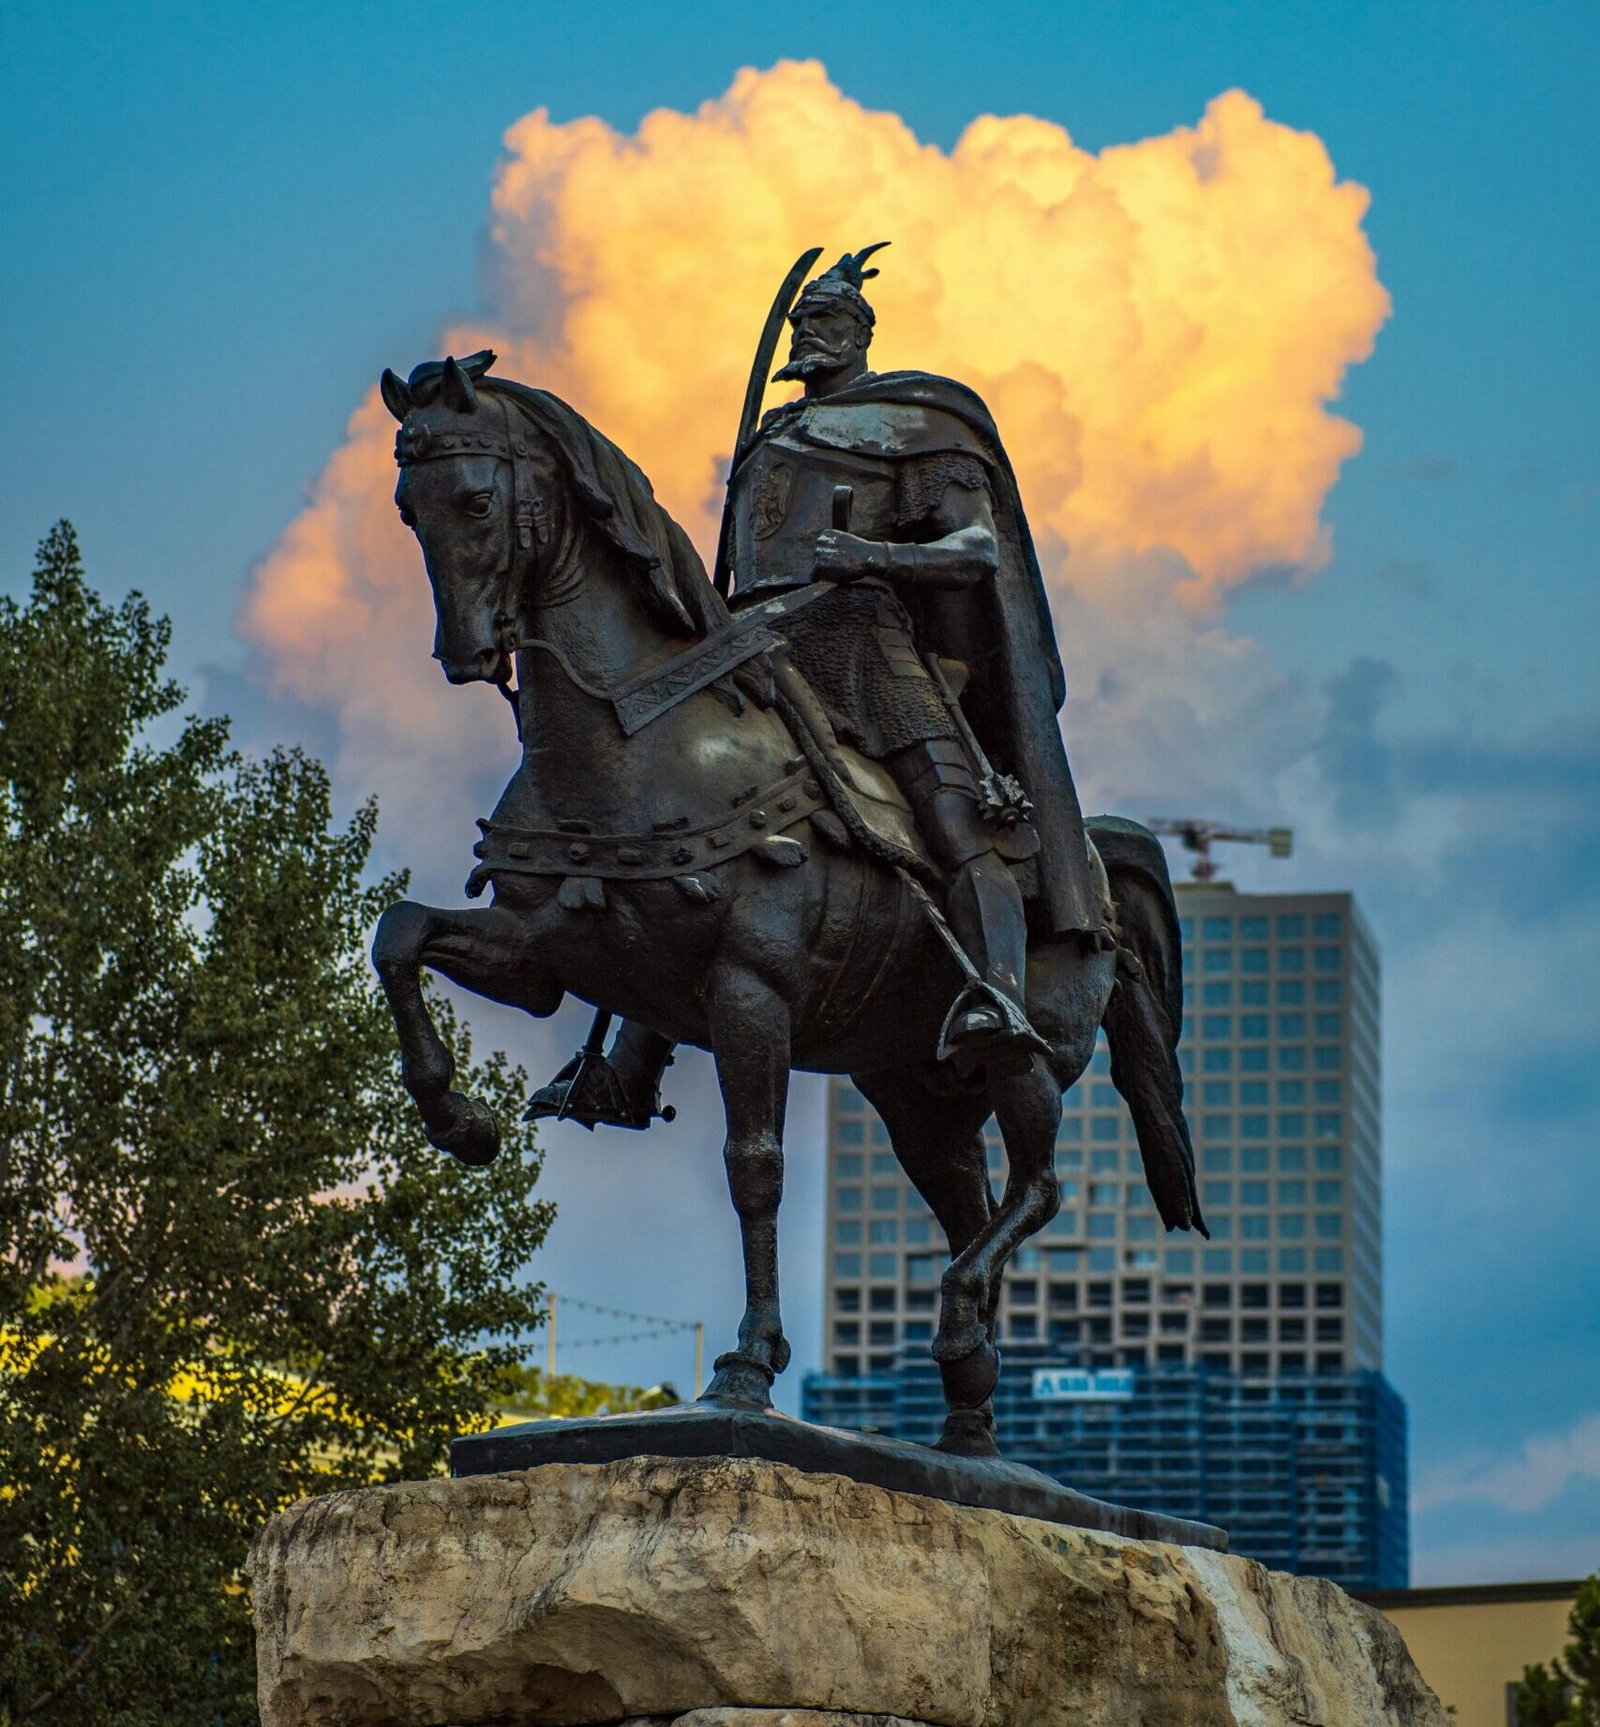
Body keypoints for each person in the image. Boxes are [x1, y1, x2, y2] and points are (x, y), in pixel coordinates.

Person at [528, 246, 1101, 1127]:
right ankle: (629, 1067)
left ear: (861, 332)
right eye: (802, 323)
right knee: (677, 816)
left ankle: (999, 993)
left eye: (826, 321)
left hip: (863, 644)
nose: (808, 336)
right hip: (750, 647)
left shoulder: (917, 424)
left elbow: (975, 548)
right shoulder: (771, 435)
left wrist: (870, 553)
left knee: (954, 818)